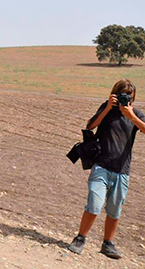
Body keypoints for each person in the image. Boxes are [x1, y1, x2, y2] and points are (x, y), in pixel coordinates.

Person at [67, 79, 145, 259]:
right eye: (122, 95)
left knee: (114, 210)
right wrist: (108, 107)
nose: (126, 99)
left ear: (133, 98)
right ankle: (80, 238)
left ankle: (107, 244)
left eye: (129, 97)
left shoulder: (136, 114)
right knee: (94, 204)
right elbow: (90, 126)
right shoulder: (107, 108)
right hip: (101, 166)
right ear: (115, 94)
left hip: (122, 170)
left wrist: (131, 116)